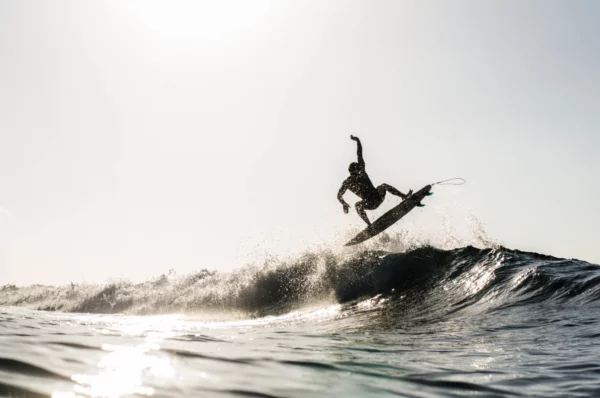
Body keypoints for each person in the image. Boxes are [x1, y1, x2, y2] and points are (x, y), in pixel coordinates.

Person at [337, 135, 412, 226]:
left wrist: (357, 140)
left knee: (383, 186)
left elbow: (359, 154)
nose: (359, 171)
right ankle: (369, 225)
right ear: (352, 172)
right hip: (369, 203)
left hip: (377, 196)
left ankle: (403, 196)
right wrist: (344, 203)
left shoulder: (361, 172)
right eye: (356, 170)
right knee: (358, 205)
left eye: (359, 169)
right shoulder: (348, 182)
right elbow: (339, 195)